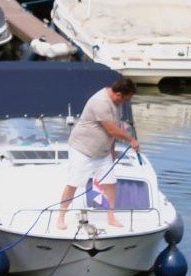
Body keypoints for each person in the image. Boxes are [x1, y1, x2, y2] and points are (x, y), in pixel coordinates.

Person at [58, 76, 139, 230]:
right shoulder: (100, 102)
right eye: (126, 99)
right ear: (119, 95)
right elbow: (111, 129)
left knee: (110, 183)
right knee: (74, 183)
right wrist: (131, 140)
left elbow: (115, 129)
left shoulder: (117, 103)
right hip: (83, 149)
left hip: (103, 151)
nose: (126, 102)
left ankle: (111, 216)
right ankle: (60, 216)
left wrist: (112, 150)